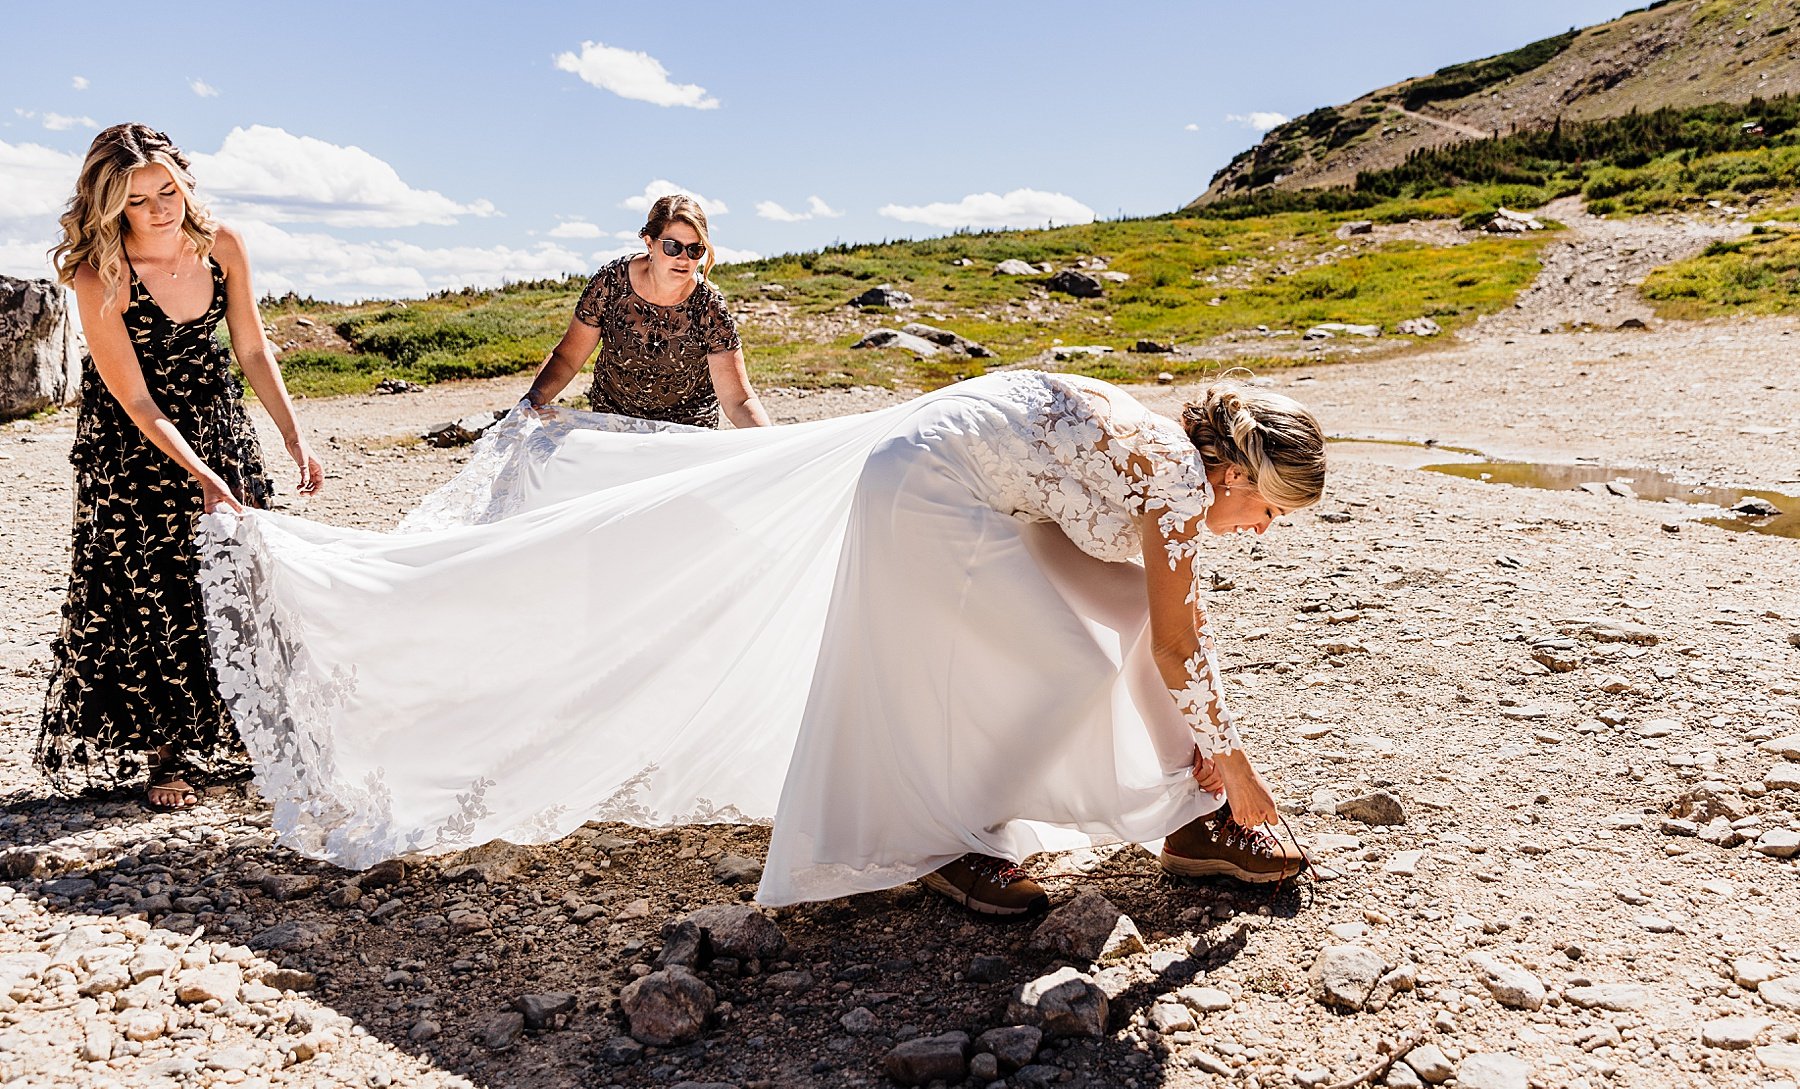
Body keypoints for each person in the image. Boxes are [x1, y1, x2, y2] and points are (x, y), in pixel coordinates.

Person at [195, 369, 1323, 913]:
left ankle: (1185, 819)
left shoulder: (1158, 450)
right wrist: (1251, 769)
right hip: (931, 494)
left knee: (1109, 626)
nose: (1262, 531)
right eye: (1270, 510)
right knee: (1074, 656)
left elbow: (1159, 618)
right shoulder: (1177, 483)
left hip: (953, 482)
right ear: (1234, 472)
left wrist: (1211, 737)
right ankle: (948, 838)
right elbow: (1183, 646)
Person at [35, 123, 324, 810]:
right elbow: (134, 396)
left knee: (243, 570)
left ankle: (253, 727)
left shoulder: (223, 245)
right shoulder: (96, 272)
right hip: (134, 442)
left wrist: (292, 433)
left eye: (169, 189)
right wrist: (197, 473)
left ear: (186, 182)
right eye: (140, 200)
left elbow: (251, 350)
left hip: (217, 421)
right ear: (113, 206)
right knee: (152, 581)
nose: (162, 208)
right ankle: (167, 749)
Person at [520, 193, 769, 429]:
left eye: (695, 249)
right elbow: (567, 358)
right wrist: (535, 397)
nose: (684, 259)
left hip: (687, 429)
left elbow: (738, 400)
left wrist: (773, 443)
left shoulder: (709, 306)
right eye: (673, 247)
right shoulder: (611, 283)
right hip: (613, 421)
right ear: (649, 243)